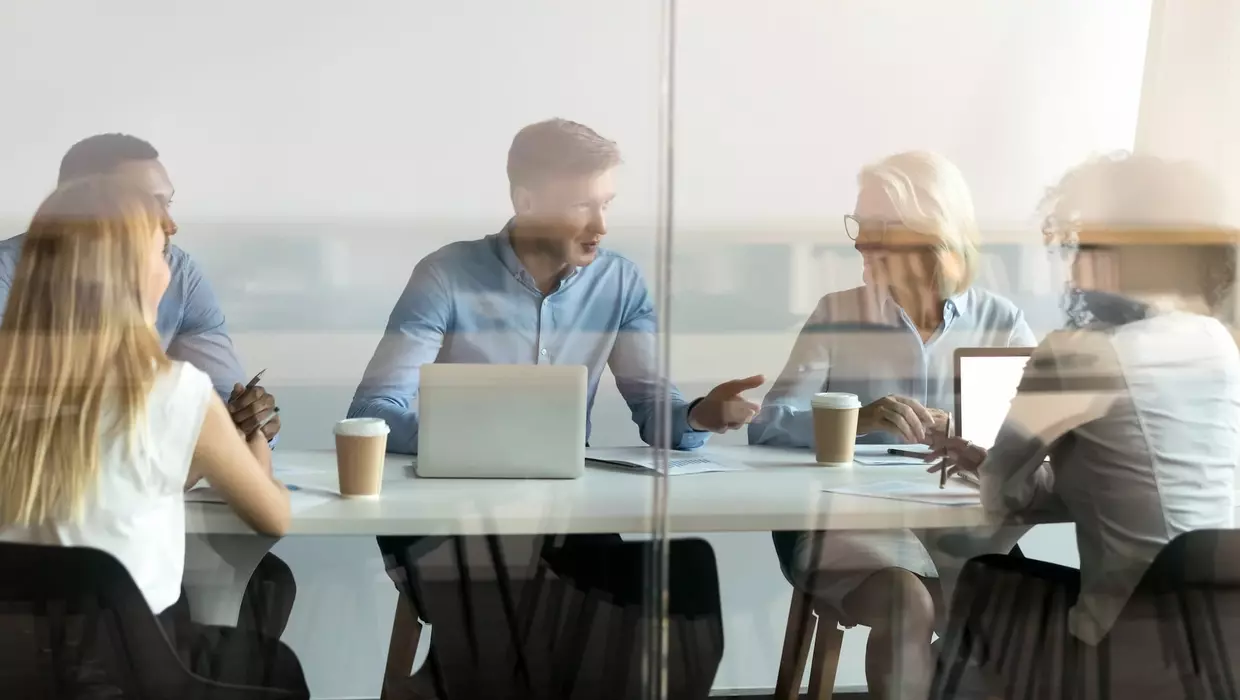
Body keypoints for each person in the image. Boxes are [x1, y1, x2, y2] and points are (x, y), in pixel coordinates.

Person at [351, 118, 757, 695]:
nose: (601, 226)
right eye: (582, 206)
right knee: (529, 606)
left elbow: (652, 406)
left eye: (607, 204)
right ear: (527, 201)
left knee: (683, 575)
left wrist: (698, 414)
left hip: (565, 525)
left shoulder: (620, 284)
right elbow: (375, 410)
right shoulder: (446, 276)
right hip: (449, 521)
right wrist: (481, 437)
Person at [927, 153, 1240, 698]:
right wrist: (1059, 476)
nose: (1071, 269)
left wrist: (1001, 466)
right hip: (1217, 636)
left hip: (1121, 640)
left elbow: (1001, 499)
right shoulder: (1215, 343)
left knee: (974, 588)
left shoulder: (1076, 356)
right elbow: (1139, 479)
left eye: (1080, 248)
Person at [0, 176, 305, 694]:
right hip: (138, 675)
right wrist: (246, 434)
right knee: (275, 665)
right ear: (137, 277)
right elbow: (272, 515)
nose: (171, 268)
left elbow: (116, 477)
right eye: (162, 253)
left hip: (20, 675)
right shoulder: (177, 394)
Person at [749, 151, 1035, 700]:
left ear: (931, 231)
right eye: (860, 224)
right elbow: (767, 425)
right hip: (842, 523)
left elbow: (1035, 443)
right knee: (909, 604)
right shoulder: (837, 313)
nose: (858, 242)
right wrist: (856, 420)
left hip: (960, 530)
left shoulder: (1000, 321)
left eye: (877, 226)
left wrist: (973, 428)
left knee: (993, 615)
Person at [0, 134, 281, 442]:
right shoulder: (7, 275)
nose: (170, 225)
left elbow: (227, 406)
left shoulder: (179, 276)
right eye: (145, 206)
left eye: (167, 203)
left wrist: (254, 422)